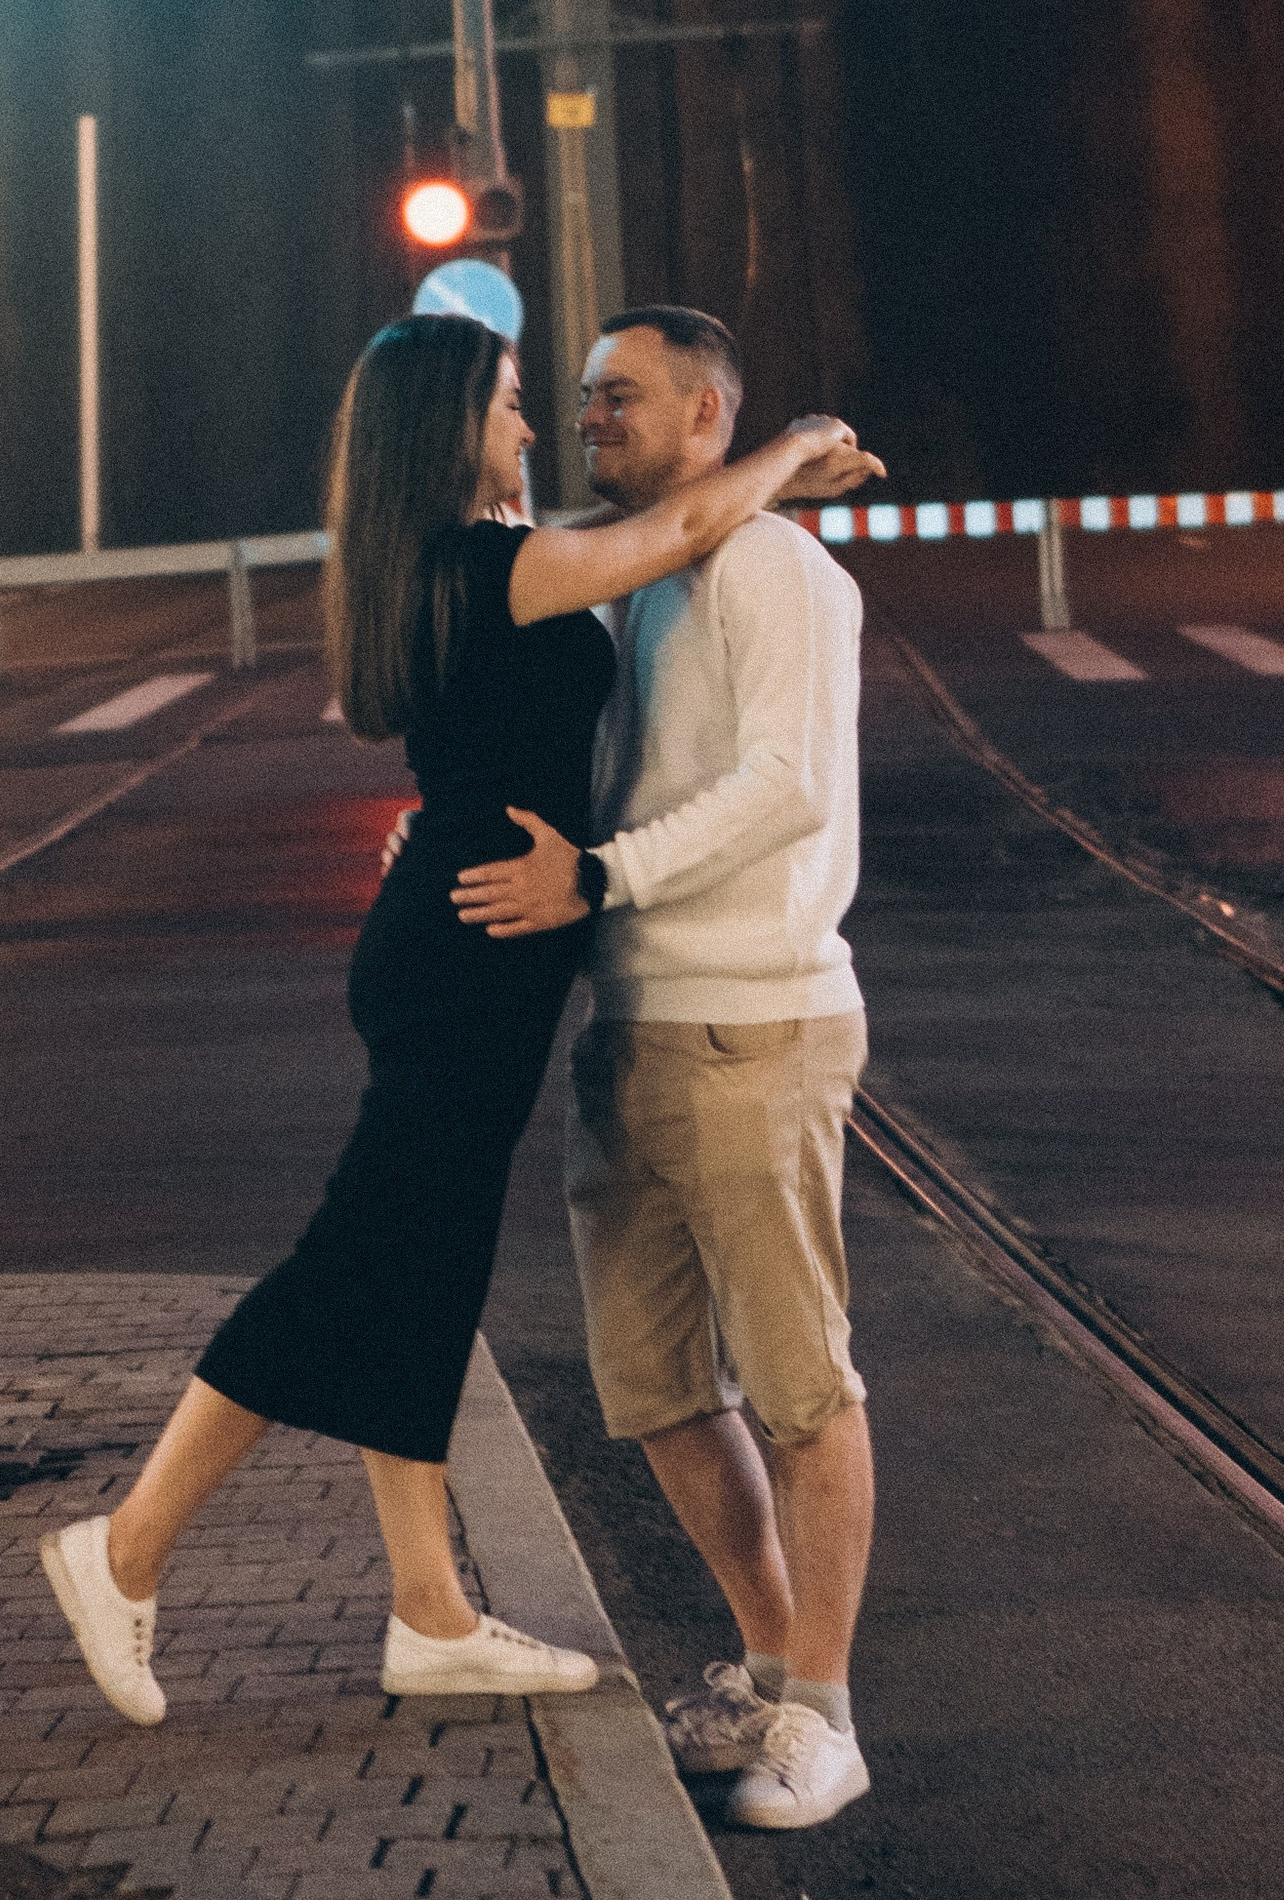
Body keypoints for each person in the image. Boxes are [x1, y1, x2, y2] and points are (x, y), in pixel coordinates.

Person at [39, 309, 877, 1729]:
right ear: (448, 427)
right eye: (509, 402)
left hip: (464, 938)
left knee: (421, 1272)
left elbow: (547, 707)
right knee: (351, 1263)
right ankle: (121, 1551)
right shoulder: (499, 565)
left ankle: (429, 1611)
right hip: (476, 952)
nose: (537, 425)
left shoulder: (432, 565)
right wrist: (791, 445)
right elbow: (669, 543)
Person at [451, 305, 878, 1834]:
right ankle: (768, 1661)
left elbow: (784, 787)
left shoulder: (778, 571)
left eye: (620, 397)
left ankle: (823, 1716)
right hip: (626, 1023)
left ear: (711, 412)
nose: (588, 420)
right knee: (653, 1392)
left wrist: (606, 878)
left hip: (754, 1020)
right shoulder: (628, 581)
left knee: (801, 1386)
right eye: (575, 400)